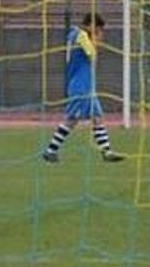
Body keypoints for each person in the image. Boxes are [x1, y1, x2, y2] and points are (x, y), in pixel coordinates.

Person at [41, 12, 124, 163]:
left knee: (98, 118)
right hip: (81, 86)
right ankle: (50, 150)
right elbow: (91, 54)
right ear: (92, 26)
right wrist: (96, 41)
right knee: (71, 120)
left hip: (85, 85)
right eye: (98, 29)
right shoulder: (80, 35)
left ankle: (107, 152)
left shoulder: (73, 35)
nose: (99, 33)